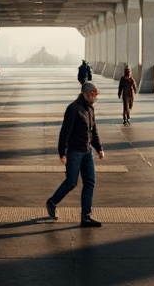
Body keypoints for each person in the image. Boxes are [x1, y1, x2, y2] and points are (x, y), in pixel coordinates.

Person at [45, 82, 105, 227]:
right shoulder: (73, 109)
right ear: (87, 94)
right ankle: (52, 202)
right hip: (74, 152)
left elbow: (93, 131)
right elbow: (65, 132)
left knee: (90, 182)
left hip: (87, 152)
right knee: (72, 182)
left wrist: (99, 148)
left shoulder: (90, 109)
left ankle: (86, 216)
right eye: (94, 95)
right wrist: (62, 152)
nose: (95, 97)